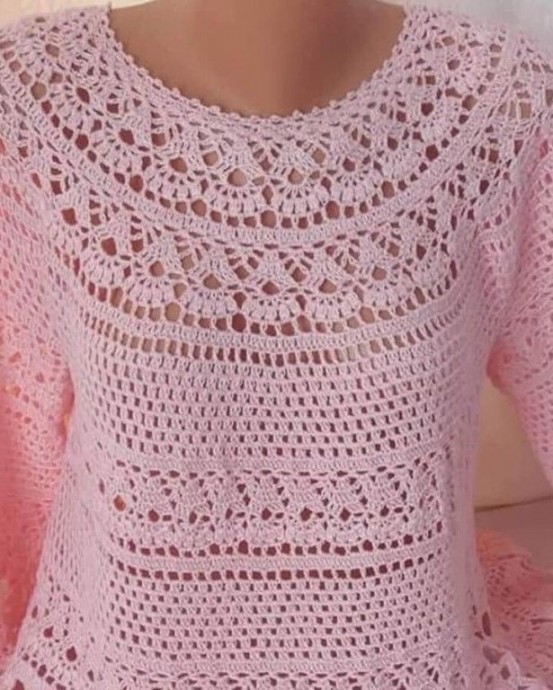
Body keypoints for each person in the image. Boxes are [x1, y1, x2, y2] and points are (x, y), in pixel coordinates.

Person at [0, 0, 552, 688]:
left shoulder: (498, 102)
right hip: (116, 660)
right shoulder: (35, 99)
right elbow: (15, 449)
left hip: (411, 658)